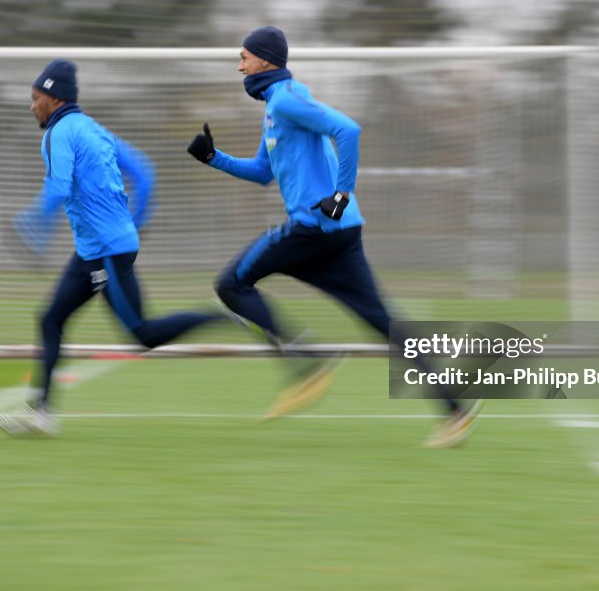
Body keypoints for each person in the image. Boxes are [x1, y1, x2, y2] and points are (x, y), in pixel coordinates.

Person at [187, 27, 482, 447]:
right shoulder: (277, 105)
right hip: (338, 234)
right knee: (382, 319)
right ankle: (455, 410)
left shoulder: (287, 101)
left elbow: (349, 130)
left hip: (314, 230)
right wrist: (213, 158)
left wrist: (341, 194)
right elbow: (263, 173)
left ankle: (307, 360)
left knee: (230, 284)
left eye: (244, 57)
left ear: (266, 61)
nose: (239, 66)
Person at [0, 59, 220, 437]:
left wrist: (33, 223)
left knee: (143, 333)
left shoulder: (59, 132)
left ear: (53, 98)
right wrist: (139, 221)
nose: (31, 106)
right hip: (93, 250)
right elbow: (146, 171)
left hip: (107, 253)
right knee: (50, 318)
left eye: (35, 98)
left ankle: (221, 314)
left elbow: (59, 187)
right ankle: (41, 413)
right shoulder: (94, 129)